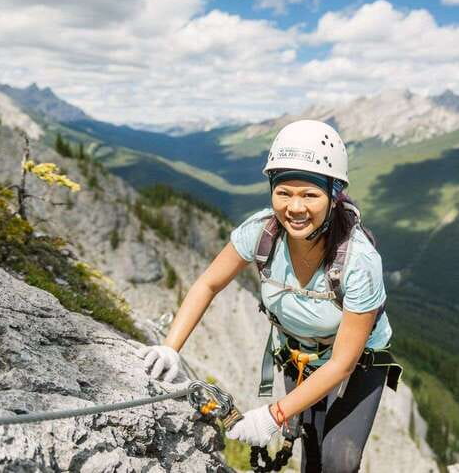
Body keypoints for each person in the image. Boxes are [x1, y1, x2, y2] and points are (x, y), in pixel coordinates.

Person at [137, 120, 400, 472]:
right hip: (298, 354)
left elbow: (342, 363)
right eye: (284, 192)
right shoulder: (262, 233)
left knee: (340, 460)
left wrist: (273, 415)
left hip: (359, 361)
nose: (295, 207)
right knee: (312, 445)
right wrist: (171, 347)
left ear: (334, 195)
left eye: (310, 194)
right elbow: (208, 284)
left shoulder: (358, 261)